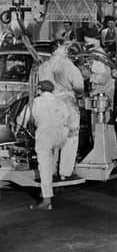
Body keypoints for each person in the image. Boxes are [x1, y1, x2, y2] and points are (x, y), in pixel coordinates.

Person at [37, 39, 84, 181]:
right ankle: (65, 172)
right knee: (71, 136)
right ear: (57, 48)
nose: (66, 49)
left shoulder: (43, 66)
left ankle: (50, 170)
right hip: (66, 104)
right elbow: (79, 86)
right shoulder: (67, 65)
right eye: (63, 46)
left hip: (49, 104)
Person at [29, 80, 71, 210]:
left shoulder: (37, 101)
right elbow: (67, 116)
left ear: (40, 90)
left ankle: (46, 200)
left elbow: (29, 117)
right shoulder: (60, 101)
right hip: (61, 134)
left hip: (45, 133)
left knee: (44, 165)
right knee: (53, 156)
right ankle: (52, 183)